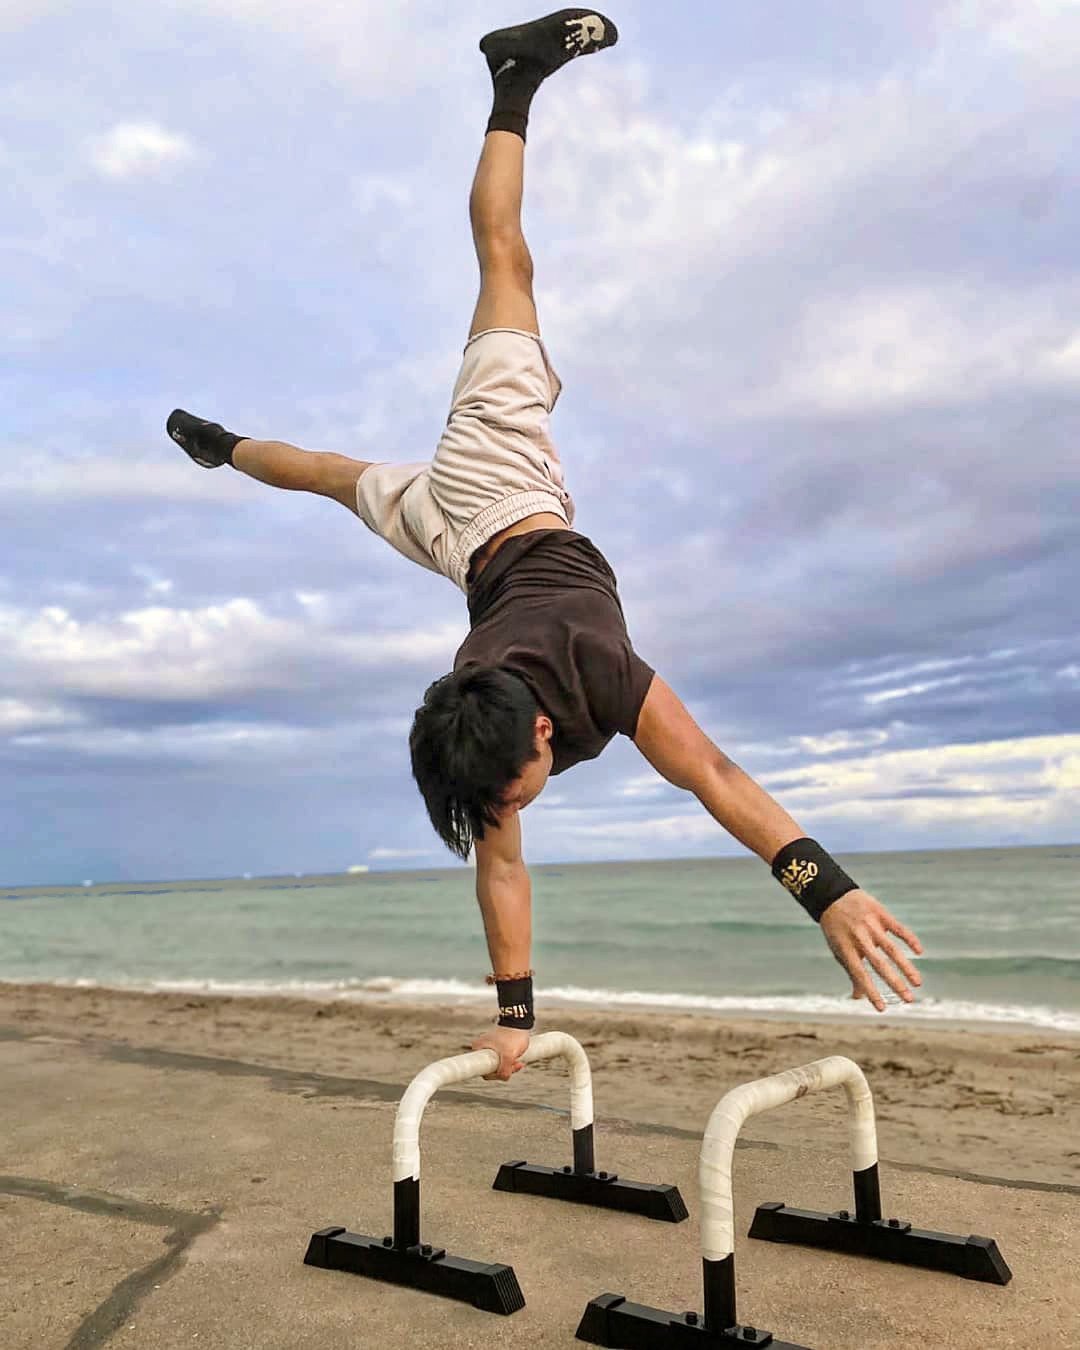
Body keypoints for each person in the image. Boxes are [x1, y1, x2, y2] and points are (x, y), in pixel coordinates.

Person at [167, 9, 924, 1084]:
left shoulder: (589, 669)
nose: (517, 808)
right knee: (335, 477)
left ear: (536, 724)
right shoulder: (476, 740)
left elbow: (711, 774)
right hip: (459, 549)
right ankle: (223, 445)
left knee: (505, 260)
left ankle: (512, 77)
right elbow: (502, 869)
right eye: (509, 799)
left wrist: (828, 893)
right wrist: (515, 1016)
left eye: (519, 793)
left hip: (496, 483)